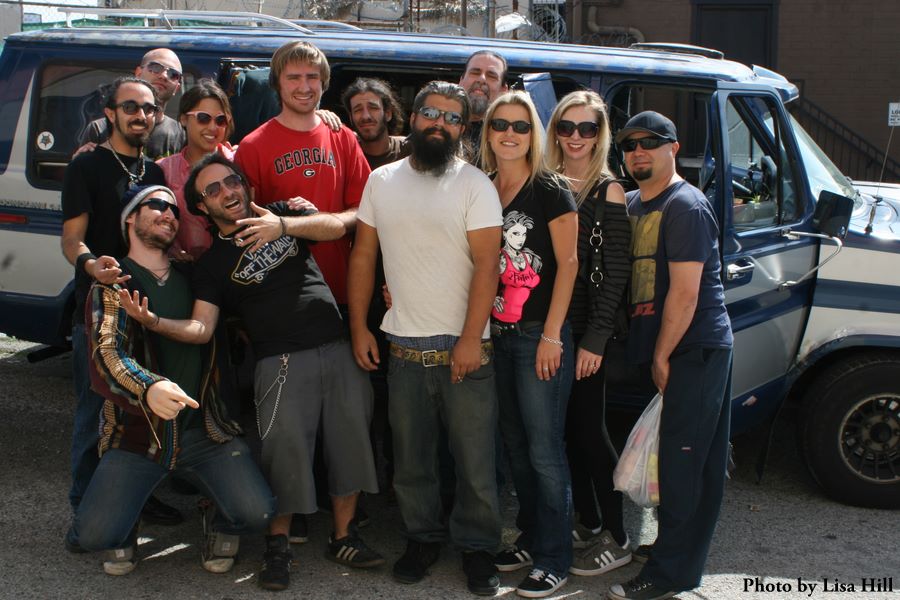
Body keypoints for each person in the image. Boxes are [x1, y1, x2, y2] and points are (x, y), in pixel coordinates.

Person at [119, 154, 383, 591]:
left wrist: (283, 225)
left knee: (350, 444)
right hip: (280, 363)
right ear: (201, 207)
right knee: (285, 455)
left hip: (337, 346)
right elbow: (202, 328)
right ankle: (277, 546)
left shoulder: (280, 214)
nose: (228, 192)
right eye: (213, 190)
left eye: (232, 181)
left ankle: (343, 537)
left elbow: (338, 226)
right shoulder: (211, 265)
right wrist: (154, 322)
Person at [347, 80, 504, 596]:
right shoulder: (381, 181)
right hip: (404, 351)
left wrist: (470, 338)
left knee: (474, 464)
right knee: (412, 463)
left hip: (466, 351)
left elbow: (488, 266)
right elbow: (364, 256)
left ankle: (478, 549)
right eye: (432, 113)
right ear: (412, 118)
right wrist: (359, 326)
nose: (441, 124)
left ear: (463, 129)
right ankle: (422, 539)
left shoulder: (475, 185)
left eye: (453, 118)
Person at [74, 185, 274, 576]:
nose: (169, 214)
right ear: (130, 218)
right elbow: (106, 355)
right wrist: (148, 386)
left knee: (258, 513)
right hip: (139, 438)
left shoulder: (196, 275)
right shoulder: (112, 284)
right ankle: (127, 522)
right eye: (157, 206)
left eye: (174, 210)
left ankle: (216, 518)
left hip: (205, 431)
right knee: (94, 536)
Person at [606, 111, 733, 600]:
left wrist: (662, 356)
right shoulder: (634, 202)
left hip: (693, 348)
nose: (638, 151)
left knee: (685, 464)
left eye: (650, 142)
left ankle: (671, 573)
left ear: (674, 148)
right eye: (630, 144)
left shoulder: (686, 206)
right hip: (668, 349)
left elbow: (685, 292)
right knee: (673, 460)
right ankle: (669, 550)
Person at [60, 76, 178, 553]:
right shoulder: (86, 165)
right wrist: (92, 265)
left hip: (147, 310)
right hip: (98, 311)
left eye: (149, 109)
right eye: (130, 107)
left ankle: (137, 500)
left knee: (144, 412)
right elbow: (72, 239)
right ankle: (86, 512)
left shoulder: (156, 172)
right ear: (110, 113)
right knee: (95, 416)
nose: (141, 116)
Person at [482, 91, 579, 599]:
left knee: (544, 451)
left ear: (533, 134)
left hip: (539, 333)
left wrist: (551, 336)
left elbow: (568, 265)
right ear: (488, 131)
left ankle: (555, 558)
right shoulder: (483, 185)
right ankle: (532, 536)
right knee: (515, 447)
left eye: (521, 126)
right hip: (497, 335)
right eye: (500, 124)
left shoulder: (550, 188)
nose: (510, 134)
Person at [545, 91, 633, 575]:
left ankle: (619, 534)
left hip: (584, 334)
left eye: (587, 128)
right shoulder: (546, 180)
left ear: (601, 135)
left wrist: (595, 341)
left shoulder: (608, 190)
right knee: (565, 434)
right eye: (567, 127)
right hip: (549, 328)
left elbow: (615, 274)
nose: (576, 137)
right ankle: (588, 518)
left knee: (589, 432)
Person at [234, 40, 370, 308]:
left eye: (312, 77)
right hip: (282, 296)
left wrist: (323, 223)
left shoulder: (342, 137)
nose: (305, 87)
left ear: (324, 82)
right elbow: (245, 224)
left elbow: (365, 211)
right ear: (277, 83)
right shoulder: (253, 146)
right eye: (294, 77)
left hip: (339, 289)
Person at [157, 79, 236, 259]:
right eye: (203, 118)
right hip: (186, 268)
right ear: (184, 119)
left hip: (240, 265)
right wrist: (171, 250)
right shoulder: (164, 170)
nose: (213, 127)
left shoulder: (239, 161)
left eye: (221, 120)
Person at [78, 49, 186, 159]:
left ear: (177, 88)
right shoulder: (100, 128)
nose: (164, 76)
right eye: (155, 67)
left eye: (173, 74)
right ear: (138, 73)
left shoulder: (182, 135)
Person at [341, 77, 410, 169]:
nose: (365, 116)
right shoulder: (344, 154)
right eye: (358, 110)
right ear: (351, 118)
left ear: (388, 114)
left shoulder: (409, 151)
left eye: (373, 108)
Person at [459, 50, 509, 155]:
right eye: (475, 73)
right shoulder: (441, 125)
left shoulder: (509, 136)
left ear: (503, 90)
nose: (482, 79)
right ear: (461, 81)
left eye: (492, 76)